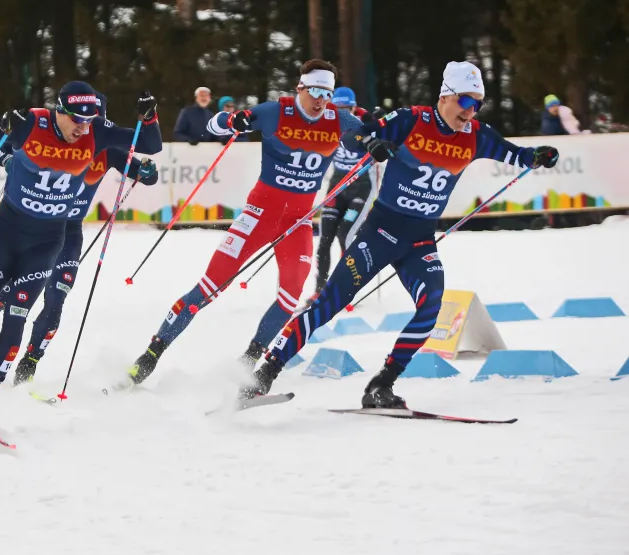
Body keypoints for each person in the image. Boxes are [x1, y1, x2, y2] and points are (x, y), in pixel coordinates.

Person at [245, 61, 560, 408]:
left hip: (420, 240)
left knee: (431, 306)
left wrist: (538, 156)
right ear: (446, 96)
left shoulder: (476, 136)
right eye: (466, 102)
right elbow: (356, 135)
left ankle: (382, 384)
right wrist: (373, 145)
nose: (471, 112)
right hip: (380, 232)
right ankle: (262, 376)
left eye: (478, 104)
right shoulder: (412, 120)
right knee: (327, 305)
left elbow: (516, 154)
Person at [0, 81, 162, 426]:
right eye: (79, 119)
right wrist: (2, 134)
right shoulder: (36, 126)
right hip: (12, 228)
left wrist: (147, 147)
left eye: (94, 120)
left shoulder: (104, 143)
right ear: (61, 112)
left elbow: (147, 153)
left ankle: (6, 380)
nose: (84, 128)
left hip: (59, 235)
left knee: (35, 305)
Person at [124, 59, 364, 388]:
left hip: (298, 221)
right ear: (300, 88)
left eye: (328, 93)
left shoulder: (340, 120)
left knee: (292, 294)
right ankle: (150, 356)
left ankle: (248, 363)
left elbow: (376, 136)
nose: (321, 99)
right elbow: (216, 127)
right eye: (316, 91)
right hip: (260, 214)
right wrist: (230, 120)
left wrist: (381, 142)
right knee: (209, 287)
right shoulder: (274, 112)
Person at [0, 147, 160, 385]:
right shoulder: (54, 135)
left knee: (56, 299)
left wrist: (147, 170)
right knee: (3, 298)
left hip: (70, 233)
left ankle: (27, 368)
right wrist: (7, 159)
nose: (86, 127)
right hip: (37, 229)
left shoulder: (108, 148)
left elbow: (148, 177)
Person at [312, 86, 375, 296]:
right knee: (324, 238)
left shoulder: (364, 125)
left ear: (354, 108)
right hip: (338, 185)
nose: (342, 114)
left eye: (347, 109)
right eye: (338, 109)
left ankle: (346, 287)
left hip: (361, 187)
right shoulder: (327, 123)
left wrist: (368, 116)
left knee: (345, 233)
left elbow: (378, 128)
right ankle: (320, 289)